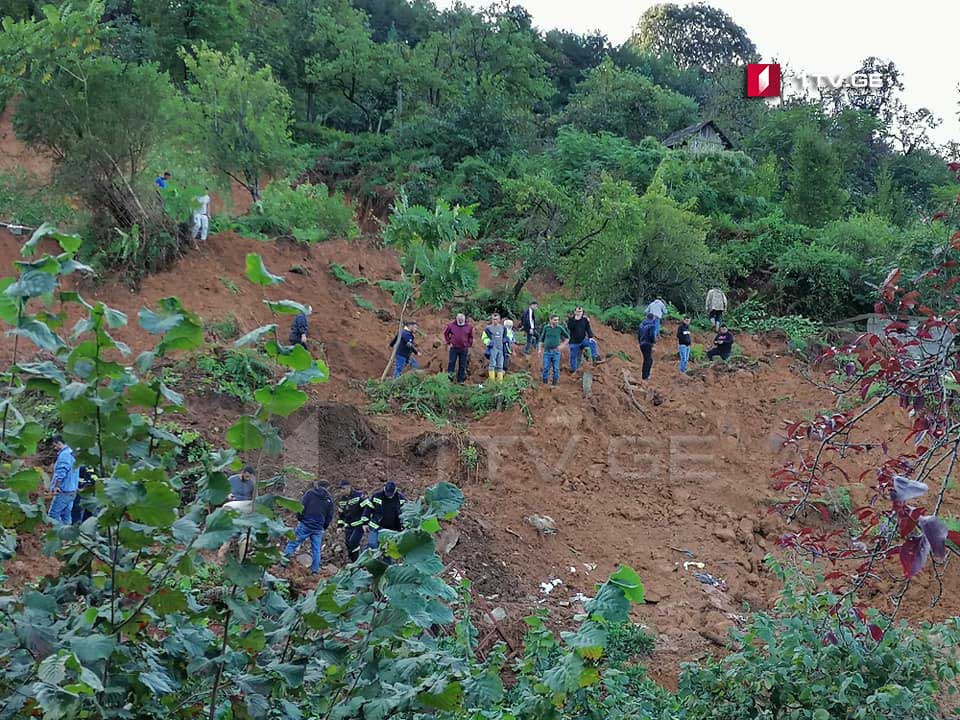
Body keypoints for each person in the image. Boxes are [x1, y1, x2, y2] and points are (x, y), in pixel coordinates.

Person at [282, 480, 335, 575]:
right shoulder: (329, 499)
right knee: (316, 549)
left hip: (306, 524)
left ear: (317, 485)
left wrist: (300, 518)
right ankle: (315, 571)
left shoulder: (310, 493)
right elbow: (330, 515)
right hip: (318, 527)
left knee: (293, 543)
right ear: (328, 487)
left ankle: (283, 563)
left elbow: (301, 506)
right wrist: (324, 526)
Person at [363, 480, 406, 550]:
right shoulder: (376, 496)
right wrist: (365, 523)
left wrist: (404, 526)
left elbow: (406, 512)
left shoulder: (401, 499)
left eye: (391, 493)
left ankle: (386, 560)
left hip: (392, 530)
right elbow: (368, 509)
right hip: (376, 526)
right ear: (384, 488)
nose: (389, 495)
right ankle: (372, 559)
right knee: (372, 545)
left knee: (388, 550)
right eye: (387, 492)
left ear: (395, 490)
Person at [48, 435, 79, 525]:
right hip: (72, 490)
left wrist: (56, 486)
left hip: (64, 491)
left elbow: (61, 473)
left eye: (55, 445)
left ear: (58, 443)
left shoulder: (64, 455)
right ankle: (67, 536)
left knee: (53, 515)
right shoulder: (72, 453)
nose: (55, 448)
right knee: (66, 515)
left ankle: (58, 535)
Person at [337, 479, 367, 563]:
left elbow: (367, 508)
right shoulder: (342, 500)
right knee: (348, 546)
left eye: (343, 489)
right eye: (340, 489)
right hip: (348, 526)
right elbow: (341, 515)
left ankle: (359, 562)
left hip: (359, 525)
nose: (341, 491)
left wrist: (365, 522)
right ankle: (354, 563)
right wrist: (339, 526)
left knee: (353, 542)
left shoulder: (359, 495)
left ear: (349, 487)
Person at [539, 314, 569, 386]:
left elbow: (567, 337)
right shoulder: (546, 328)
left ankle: (554, 384)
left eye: (558, 320)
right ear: (550, 320)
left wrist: (562, 346)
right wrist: (539, 349)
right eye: (555, 320)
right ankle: (544, 384)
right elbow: (541, 339)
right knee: (546, 368)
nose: (557, 321)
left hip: (556, 352)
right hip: (547, 351)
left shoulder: (560, 328)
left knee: (556, 369)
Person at [567, 306, 600, 372]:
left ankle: (595, 358)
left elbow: (588, 329)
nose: (579, 313)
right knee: (574, 356)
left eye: (580, 311)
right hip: (574, 342)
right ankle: (573, 370)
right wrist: (575, 319)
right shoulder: (571, 320)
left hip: (583, 340)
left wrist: (590, 337)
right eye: (577, 311)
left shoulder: (585, 320)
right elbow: (570, 327)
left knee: (593, 343)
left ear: (582, 312)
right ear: (575, 312)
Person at [444, 313, 473, 384]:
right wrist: (449, 342)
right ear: (456, 319)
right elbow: (446, 334)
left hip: (464, 348)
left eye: (462, 319)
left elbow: (471, 336)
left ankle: (460, 380)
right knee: (451, 363)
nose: (460, 320)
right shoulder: (451, 325)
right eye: (459, 319)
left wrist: (468, 344)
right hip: (454, 348)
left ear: (464, 319)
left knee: (462, 364)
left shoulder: (469, 327)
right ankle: (450, 379)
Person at [482, 313, 507, 383]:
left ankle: (500, 382)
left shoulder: (503, 328)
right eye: (493, 319)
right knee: (492, 364)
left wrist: (506, 340)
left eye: (496, 319)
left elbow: (506, 336)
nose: (495, 321)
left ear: (499, 320)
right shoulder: (488, 328)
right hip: (493, 348)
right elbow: (484, 337)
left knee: (500, 365)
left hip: (501, 349)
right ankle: (492, 382)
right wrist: (488, 342)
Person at [637, 313, 658, 381]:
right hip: (648, 343)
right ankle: (645, 376)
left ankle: (645, 375)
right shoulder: (652, 325)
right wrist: (654, 341)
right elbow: (652, 335)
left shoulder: (641, 324)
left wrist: (640, 342)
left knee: (647, 359)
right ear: (652, 318)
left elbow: (639, 335)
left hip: (642, 343)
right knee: (648, 360)